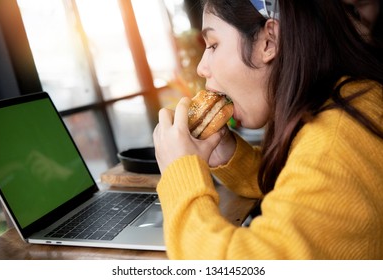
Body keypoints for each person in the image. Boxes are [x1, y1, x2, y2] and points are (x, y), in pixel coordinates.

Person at [153, 0, 383, 259]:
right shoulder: (348, 99)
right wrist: (227, 154)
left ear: (269, 42)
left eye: (214, 45)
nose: (202, 68)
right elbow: (298, 187)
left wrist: (178, 172)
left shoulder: (335, 144)